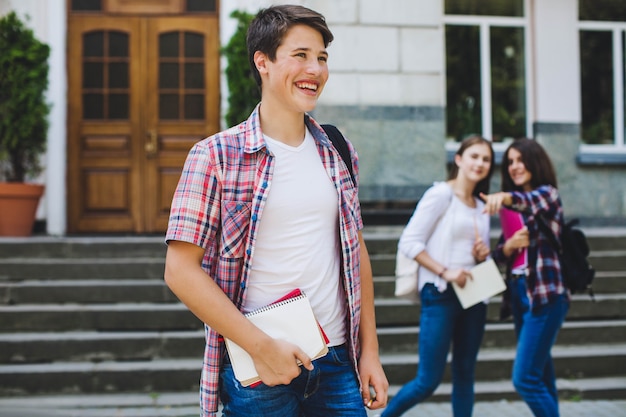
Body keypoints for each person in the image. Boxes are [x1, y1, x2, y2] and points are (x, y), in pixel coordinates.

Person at [163, 4, 388, 417]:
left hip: (338, 361)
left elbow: (356, 254)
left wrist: (369, 352)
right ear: (262, 61)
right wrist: (261, 347)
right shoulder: (215, 157)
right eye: (300, 55)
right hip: (260, 365)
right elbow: (179, 271)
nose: (315, 69)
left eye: (322, 58)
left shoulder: (338, 150)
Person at [381, 135, 495, 417]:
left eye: (486, 159)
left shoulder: (482, 206)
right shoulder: (440, 194)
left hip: (475, 294)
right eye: (474, 156)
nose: (480, 163)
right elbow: (409, 242)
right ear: (458, 159)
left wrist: (483, 256)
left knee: (465, 373)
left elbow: (481, 256)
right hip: (441, 292)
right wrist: (446, 271)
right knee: (428, 380)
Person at [481, 138, 569, 417]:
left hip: (545, 295)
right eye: (510, 162)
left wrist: (504, 197)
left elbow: (528, 201)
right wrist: (506, 248)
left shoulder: (547, 195)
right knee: (541, 375)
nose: (515, 166)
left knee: (524, 379)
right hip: (519, 293)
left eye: (520, 160)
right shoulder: (510, 208)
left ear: (535, 161)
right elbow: (500, 256)